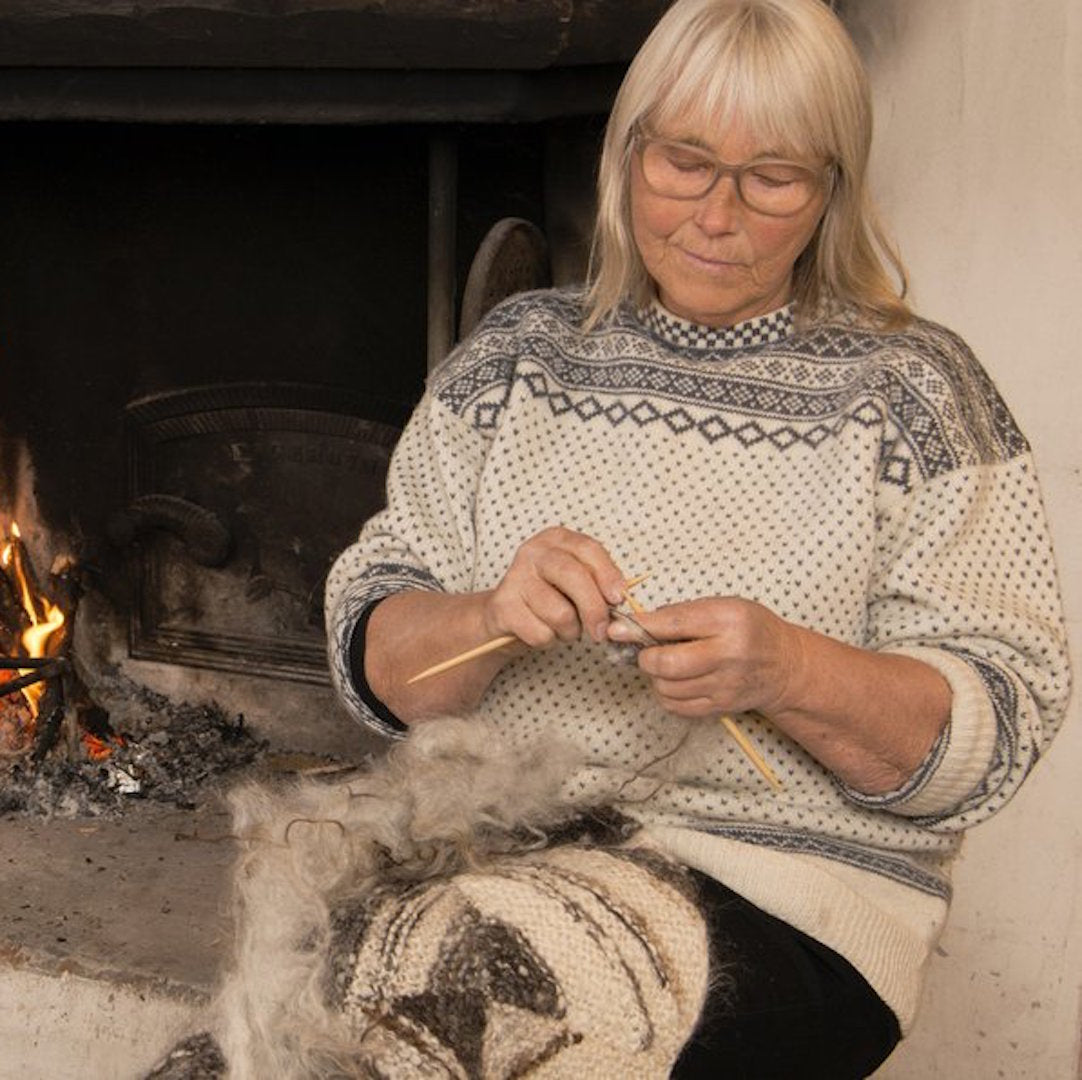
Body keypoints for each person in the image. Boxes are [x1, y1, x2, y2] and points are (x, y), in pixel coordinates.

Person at [316, 0, 1071, 1076]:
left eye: (772, 178)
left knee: (476, 1032)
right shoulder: (516, 359)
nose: (718, 215)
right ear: (628, 157)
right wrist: (488, 618)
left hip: (785, 892)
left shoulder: (913, 392)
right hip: (490, 851)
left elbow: (996, 726)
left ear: (832, 189)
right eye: (684, 163)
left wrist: (788, 669)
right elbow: (375, 660)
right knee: (293, 1027)